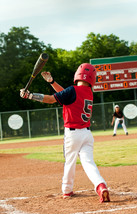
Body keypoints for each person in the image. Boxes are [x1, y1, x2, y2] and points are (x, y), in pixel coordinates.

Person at [20, 63, 110, 203]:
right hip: (87, 135)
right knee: (88, 162)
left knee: (70, 162)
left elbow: (52, 99)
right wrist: (52, 82)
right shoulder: (88, 92)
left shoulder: (72, 90)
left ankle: (67, 190)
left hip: (73, 135)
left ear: (77, 74)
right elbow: (65, 96)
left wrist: (30, 95)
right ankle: (100, 185)